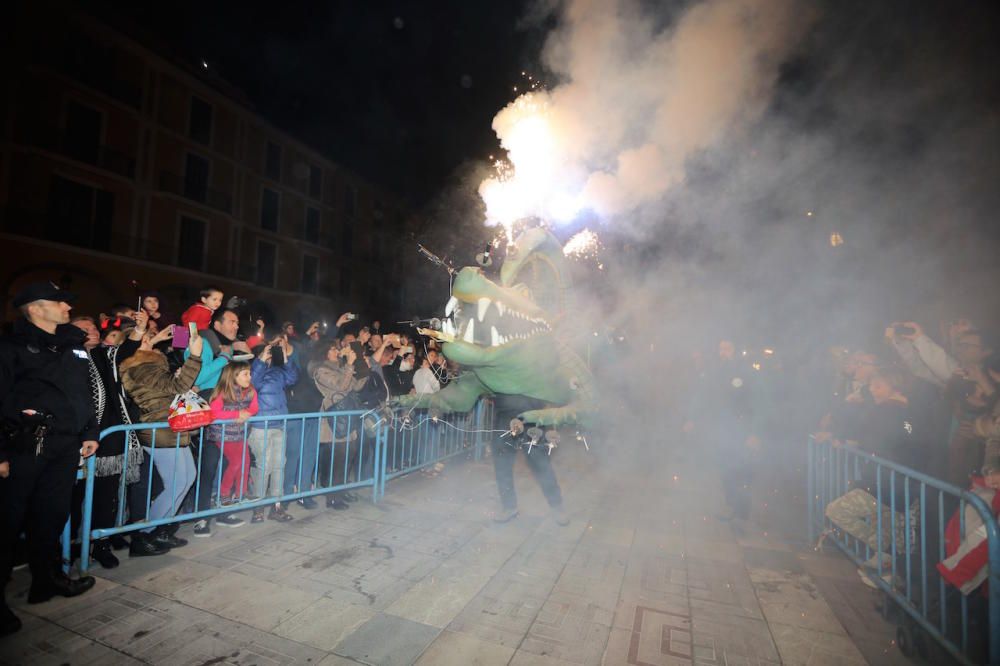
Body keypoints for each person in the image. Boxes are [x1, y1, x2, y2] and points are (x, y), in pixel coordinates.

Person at [0, 282, 100, 637]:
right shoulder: (10, 346)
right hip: (25, 445)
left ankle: (47, 580)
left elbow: (84, 393)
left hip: (65, 445)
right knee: (8, 522)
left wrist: (90, 432)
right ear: (35, 309)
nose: (67, 307)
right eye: (58, 302)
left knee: (53, 514)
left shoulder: (72, 345)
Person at [119, 324, 202, 555]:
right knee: (176, 483)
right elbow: (177, 386)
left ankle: (159, 531)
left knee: (188, 478)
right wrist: (194, 356)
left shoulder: (146, 363)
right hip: (159, 430)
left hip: (170, 427)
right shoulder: (141, 367)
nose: (152, 341)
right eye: (146, 339)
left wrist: (153, 341)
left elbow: (170, 388)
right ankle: (144, 535)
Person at [195, 363, 257, 537]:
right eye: (246, 374)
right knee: (208, 472)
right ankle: (202, 518)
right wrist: (236, 415)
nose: (250, 377)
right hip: (215, 436)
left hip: (235, 435)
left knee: (233, 466)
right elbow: (213, 413)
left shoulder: (245, 390)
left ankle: (224, 511)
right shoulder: (220, 390)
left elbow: (251, 407)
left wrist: (245, 413)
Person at [249, 337, 298, 523]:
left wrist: (285, 357)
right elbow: (252, 382)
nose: (270, 356)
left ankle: (276, 506)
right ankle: (258, 507)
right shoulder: (253, 372)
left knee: (279, 465)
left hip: (279, 424)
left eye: (271, 354)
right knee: (264, 466)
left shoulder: (278, 372)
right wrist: (261, 359)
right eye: (267, 353)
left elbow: (293, 378)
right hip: (261, 426)